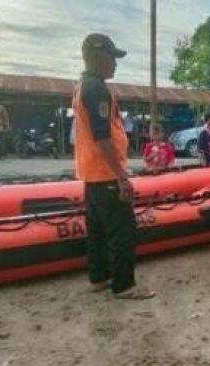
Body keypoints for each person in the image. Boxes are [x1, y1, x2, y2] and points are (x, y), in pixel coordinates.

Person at [73, 33, 155, 300]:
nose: (115, 64)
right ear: (97, 57)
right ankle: (124, 285)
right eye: (112, 58)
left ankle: (99, 277)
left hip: (92, 173)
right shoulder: (97, 90)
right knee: (122, 231)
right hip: (106, 173)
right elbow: (103, 137)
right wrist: (122, 177)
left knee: (97, 230)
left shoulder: (83, 85)